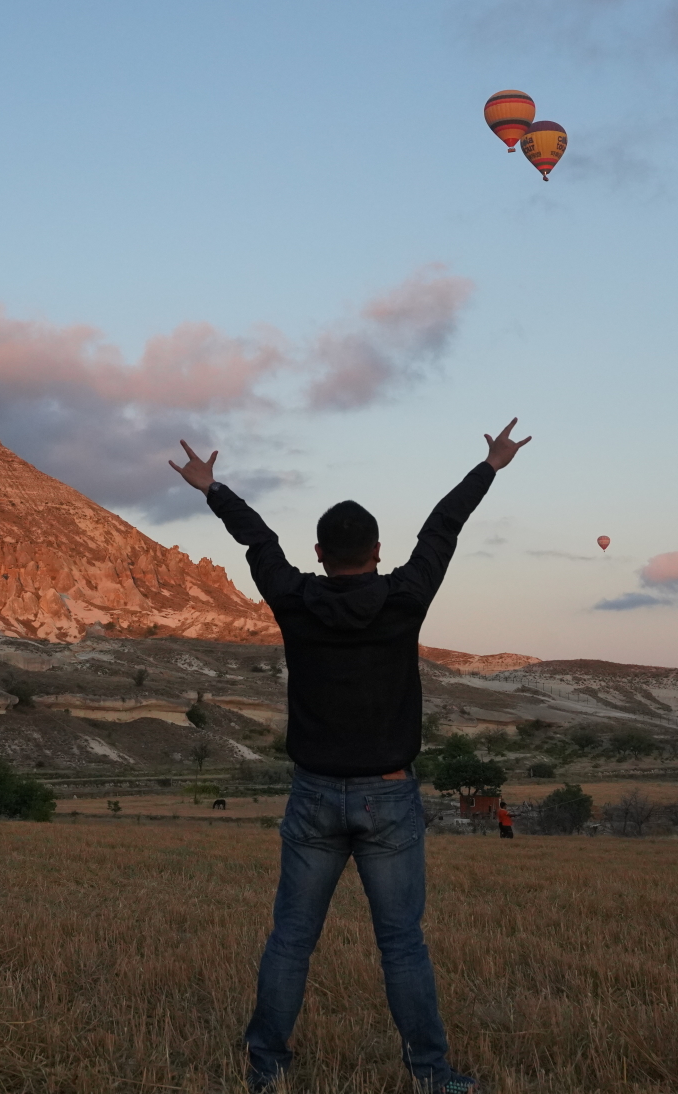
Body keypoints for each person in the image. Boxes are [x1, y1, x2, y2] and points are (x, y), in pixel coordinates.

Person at [170, 419, 532, 1094]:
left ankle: (265, 1066)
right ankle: (430, 1073)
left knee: (291, 940)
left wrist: (212, 487)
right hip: (389, 796)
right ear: (376, 550)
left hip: (312, 794)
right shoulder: (404, 597)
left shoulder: (294, 599)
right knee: (401, 944)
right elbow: (441, 530)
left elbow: (259, 541)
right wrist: (490, 466)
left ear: (320, 551)